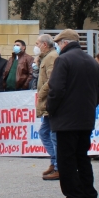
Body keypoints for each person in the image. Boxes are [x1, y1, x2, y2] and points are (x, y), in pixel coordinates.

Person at [46, 30, 99, 198]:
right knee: (82, 157)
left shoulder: (63, 60)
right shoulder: (92, 61)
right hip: (85, 117)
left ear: (64, 43)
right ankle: (89, 195)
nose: (57, 47)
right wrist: (89, 106)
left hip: (66, 119)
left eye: (58, 43)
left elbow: (56, 89)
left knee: (66, 158)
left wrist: (51, 109)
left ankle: (74, 196)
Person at [34, 34, 59, 181]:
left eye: (37, 43)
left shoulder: (51, 57)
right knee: (45, 132)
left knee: (49, 134)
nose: (36, 47)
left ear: (44, 44)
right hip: (47, 102)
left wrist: (41, 94)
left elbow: (52, 80)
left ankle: (57, 165)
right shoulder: (46, 57)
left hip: (49, 101)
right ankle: (54, 162)